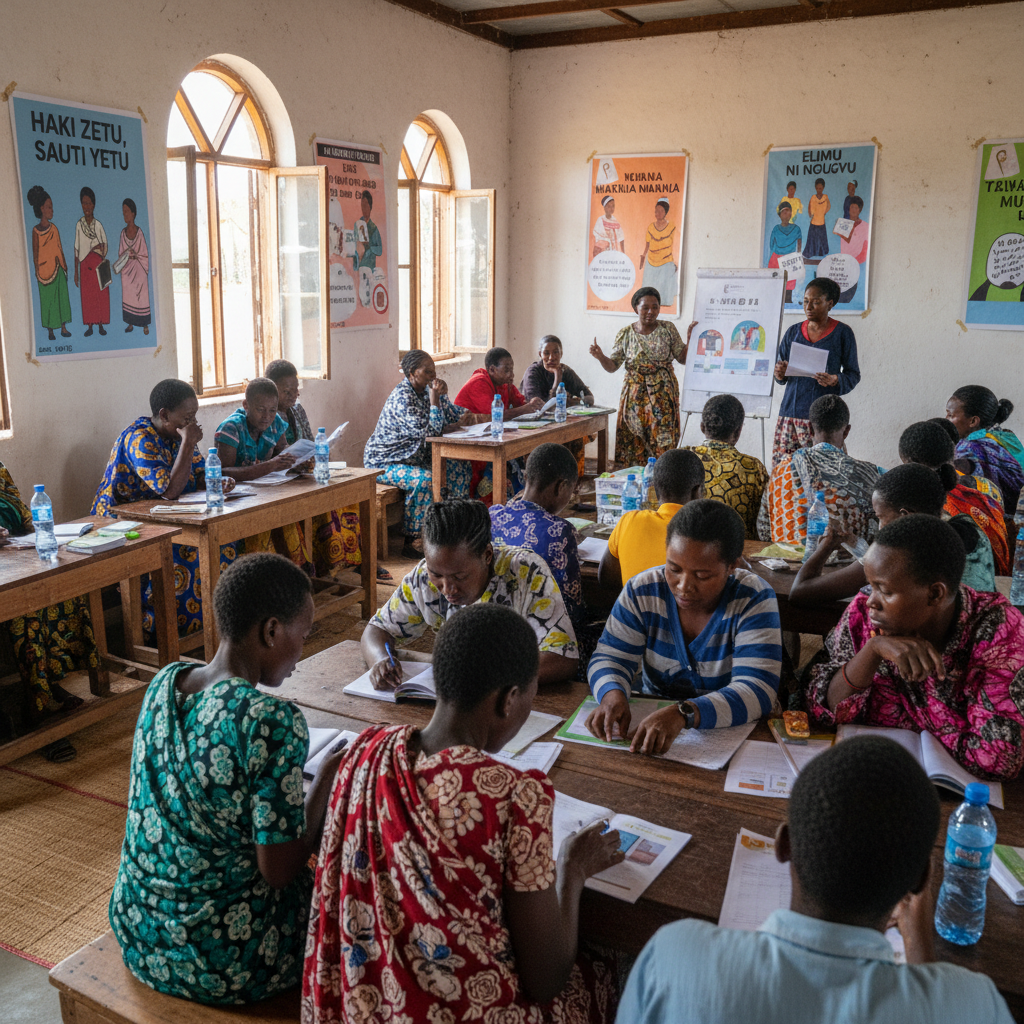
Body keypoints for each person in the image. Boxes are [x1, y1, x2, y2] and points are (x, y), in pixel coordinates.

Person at [304, 603, 623, 1024]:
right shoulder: (515, 795)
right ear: (509, 700)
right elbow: (545, 979)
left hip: (358, 1001)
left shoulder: (366, 752)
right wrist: (573, 869)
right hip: (461, 1012)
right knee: (607, 970)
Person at [616, 736, 1015, 1024]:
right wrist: (922, 949)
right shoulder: (974, 1004)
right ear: (921, 881)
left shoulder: (676, 957)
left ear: (783, 844)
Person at [109, 553, 348, 1005]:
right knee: (355, 887)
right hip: (223, 958)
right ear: (272, 630)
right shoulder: (269, 719)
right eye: (305, 633)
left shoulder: (165, 682)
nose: (304, 649)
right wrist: (327, 780)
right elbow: (279, 872)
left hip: (139, 925)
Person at [805, 515, 1024, 780]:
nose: (871, 601)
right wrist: (873, 650)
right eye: (871, 585)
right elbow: (824, 708)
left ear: (935, 594)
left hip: (965, 798)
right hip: (869, 777)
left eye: (884, 590)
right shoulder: (864, 615)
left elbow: (998, 758)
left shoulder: (1000, 630)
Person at [587, 501, 782, 753]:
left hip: (736, 735)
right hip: (656, 725)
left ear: (732, 566)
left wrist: (684, 713)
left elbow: (757, 689)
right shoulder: (642, 591)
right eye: (674, 569)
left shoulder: (753, 598)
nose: (683, 586)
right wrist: (612, 694)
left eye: (702, 576)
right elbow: (610, 657)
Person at [361, 499, 579, 686]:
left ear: (487, 555)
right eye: (436, 574)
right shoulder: (423, 579)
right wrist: (381, 659)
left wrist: (491, 680)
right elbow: (377, 629)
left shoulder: (525, 572)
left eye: (460, 577)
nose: (447, 589)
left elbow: (562, 658)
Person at [92, 379, 238, 638]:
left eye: (194, 416)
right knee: (187, 551)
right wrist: (188, 443)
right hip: (121, 523)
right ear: (164, 415)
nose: (192, 423)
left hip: (162, 516)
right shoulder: (140, 438)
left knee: (224, 542)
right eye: (187, 417)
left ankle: (213, 624)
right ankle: (170, 631)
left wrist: (218, 480)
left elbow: (199, 473)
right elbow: (169, 490)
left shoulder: (176, 434)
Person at [790, 463, 996, 606]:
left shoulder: (899, 552)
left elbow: (800, 593)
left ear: (905, 515)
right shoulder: (969, 527)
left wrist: (826, 545)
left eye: (880, 517)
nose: (880, 527)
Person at [0, 462, 98, 761]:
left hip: (12, 553)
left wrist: (44, 531)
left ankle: (50, 684)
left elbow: (20, 508)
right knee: (26, 610)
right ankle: (37, 713)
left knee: (62, 589)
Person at [264, 359, 371, 579]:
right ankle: (313, 572)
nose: (293, 396)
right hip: (279, 482)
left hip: (303, 475)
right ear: (271, 389)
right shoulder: (266, 414)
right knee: (322, 509)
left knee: (343, 499)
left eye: (296, 390)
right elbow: (270, 454)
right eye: (287, 391)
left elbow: (309, 440)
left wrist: (315, 454)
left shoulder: (297, 409)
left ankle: (354, 561)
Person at [363, 351, 475, 558]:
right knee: (424, 480)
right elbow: (432, 432)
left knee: (459, 467)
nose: (433, 375)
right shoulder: (402, 397)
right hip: (385, 462)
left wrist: (463, 414)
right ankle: (414, 540)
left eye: (434, 370)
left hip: (412, 458)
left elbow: (449, 415)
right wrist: (435, 399)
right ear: (412, 373)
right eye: (428, 371)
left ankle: (452, 527)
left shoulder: (425, 390)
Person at [757, 395, 880, 546]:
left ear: (809, 428)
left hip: (789, 563)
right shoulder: (869, 473)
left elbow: (763, 531)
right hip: (848, 567)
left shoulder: (780, 470)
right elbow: (877, 535)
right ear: (847, 431)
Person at [589, 287, 692, 468]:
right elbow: (613, 366)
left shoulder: (668, 329)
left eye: (655, 307)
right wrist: (600, 356)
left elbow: (682, 358)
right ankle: (634, 480)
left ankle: (663, 479)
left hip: (662, 396)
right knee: (633, 439)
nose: (650, 312)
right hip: (634, 396)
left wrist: (691, 341)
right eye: (645, 307)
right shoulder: (625, 334)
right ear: (636, 308)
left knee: (663, 439)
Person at [490, 442, 585, 631]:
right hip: (535, 637)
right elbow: (571, 605)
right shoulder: (560, 531)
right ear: (562, 487)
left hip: (492, 625)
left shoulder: (492, 515)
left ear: (525, 477)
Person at [899, 419, 1010, 575]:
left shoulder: (926, 509)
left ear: (911, 463)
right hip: (999, 578)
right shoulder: (988, 487)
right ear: (953, 449)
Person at [771, 278, 861, 465]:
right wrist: (779, 374)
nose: (809, 306)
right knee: (787, 471)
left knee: (825, 472)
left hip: (824, 421)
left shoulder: (843, 333)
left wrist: (835, 380)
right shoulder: (793, 332)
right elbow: (780, 372)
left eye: (816, 301)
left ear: (830, 303)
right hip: (791, 413)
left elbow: (853, 374)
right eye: (805, 301)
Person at [599, 448, 705, 590]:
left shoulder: (629, 520)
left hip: (635, 610)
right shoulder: (709, 534)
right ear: (697, 491)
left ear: (654, 488)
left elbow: (607, 580)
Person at [455, 347, 543, 502]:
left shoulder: (503, 383)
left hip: (488, 436)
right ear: (492, 369)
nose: (511, 374)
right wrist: (524, 409)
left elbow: (519, 402)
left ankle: (511, 501)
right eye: (507, 370)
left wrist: (531, 404)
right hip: (465, 439)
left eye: (512, 370)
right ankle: (488, 505)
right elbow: (493, 416)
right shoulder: (479, 382)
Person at [683, 393, 768, 539]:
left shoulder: (683, 458)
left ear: (702, 426)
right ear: (738, 431)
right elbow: (764, 522)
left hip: (687, 547)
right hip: (736, 551)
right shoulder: (753, 468)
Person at [520, 334, 596, 474]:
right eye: (546, 353)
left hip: (559, 424)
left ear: (561, 354)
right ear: (540, 354)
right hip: (535, 427)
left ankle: (573, 482)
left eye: (556, 352)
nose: (551, 357)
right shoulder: (533, 372)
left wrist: (576, 401)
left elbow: (589, 397)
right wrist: (557, 377)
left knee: (576, 436)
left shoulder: (565, 370)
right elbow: (538, 406)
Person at [946, 385, 1023, 515]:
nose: (946, 420)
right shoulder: (1008, 437)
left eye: (950, 415)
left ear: (973, 421)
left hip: (996, 524)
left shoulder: (969, 448)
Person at [215, 377, 296, 482]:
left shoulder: (275, 422)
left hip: (266, 488)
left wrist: (292, 461)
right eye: (260, 410)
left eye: (272, 410)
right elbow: (223, 473)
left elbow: (282, 451)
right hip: (235, 491)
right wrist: (270, 466)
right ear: (246, 405)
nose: (266, 416)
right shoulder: (231, 429)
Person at [26, 185, 72, 341]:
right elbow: (35, 253)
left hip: (57, 268)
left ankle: (64, 327)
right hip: (43, 271)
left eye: (52, 207)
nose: (52, 210)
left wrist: (64, 268)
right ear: (41, 209)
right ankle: (50, 330)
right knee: (48, 301)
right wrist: (37, 270)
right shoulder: (35, 231)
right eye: (49, 207)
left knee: (61, 298)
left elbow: (59, 249)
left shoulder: (54, 229)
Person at [73, 186, 109, 336]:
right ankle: (90, 326)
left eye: (89, 203)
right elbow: (76, 249)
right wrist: (76, 272)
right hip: (84, 266)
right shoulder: (79, 225)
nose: (86, 206)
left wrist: (97, 248)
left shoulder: (98, 225)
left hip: (98, 265)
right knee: (87, 297)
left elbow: (105, 246)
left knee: (100, 296)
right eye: (83, 203)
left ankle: (100, 324)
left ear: (93, 205)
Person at [117, 198, 150, 335]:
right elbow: (120, 253)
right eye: (123, 212)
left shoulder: (139, 232)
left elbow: (144, 253)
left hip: (139, 268)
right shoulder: (122, 233)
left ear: (133, 213)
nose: (125, 215)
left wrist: (135, 254)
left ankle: (145, 325)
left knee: (141, 296)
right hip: (127, 269)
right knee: (129, 295)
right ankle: (130, 323)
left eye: (127, 212)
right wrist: (127, 255)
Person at [638, 197, 678, 305]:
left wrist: (676, 262)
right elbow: (647, 244)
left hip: (666, 260)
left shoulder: (672, 227)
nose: (658, 213)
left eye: (661, 211)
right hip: (651, 259)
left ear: (666, 212)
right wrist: (643, 256)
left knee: (664, 287)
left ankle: (663, 302)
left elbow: (676, 245)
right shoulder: (651, 227)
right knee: (648, 289)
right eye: (656, 211)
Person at [767, 201, 802, 301]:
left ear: (791, 213)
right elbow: (771, 246)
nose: (786, 214)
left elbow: (799, 247)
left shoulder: (796, 229)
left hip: (790, 260)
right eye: (784, 211)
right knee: (775, 288)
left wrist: (798, 260)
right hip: (776, 260)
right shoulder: (776, 229)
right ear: (779, 215)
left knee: (788, 288)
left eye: (788, 211)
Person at [837, 197, 868, 303]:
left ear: (860, 210)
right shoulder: (843, 223)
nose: (853, 210)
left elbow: (865, 249)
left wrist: (855, 262)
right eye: (851, 207)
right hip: (843, 263)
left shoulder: (865, 226)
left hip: (856, 264)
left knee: (849, 294)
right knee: (840, 293)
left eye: (856, 208)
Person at [802, 177, 830, 259]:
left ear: (823, 188)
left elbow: (828, 206)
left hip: (822, 221)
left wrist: (824, 213)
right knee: (812, 240)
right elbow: (810, 207)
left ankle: (821, 253)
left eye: (820, 188)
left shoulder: (825, 197)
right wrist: (811, 214)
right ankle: (811, 253)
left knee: (821, 239)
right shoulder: (813, 197)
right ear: (815, 188)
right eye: (817, 188)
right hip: (814, 222)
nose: (819, 189)